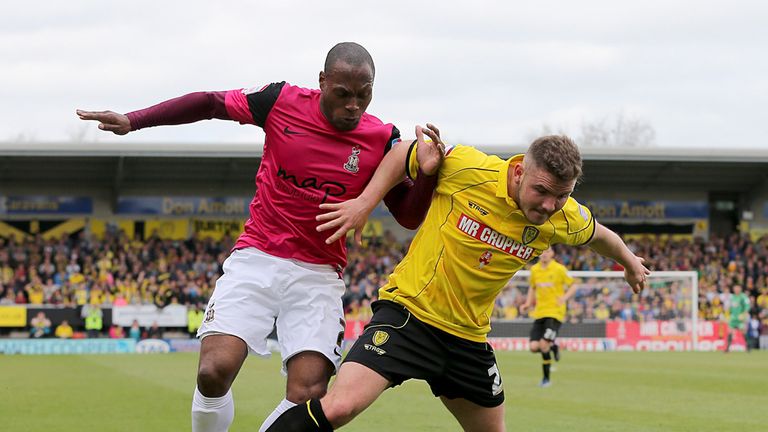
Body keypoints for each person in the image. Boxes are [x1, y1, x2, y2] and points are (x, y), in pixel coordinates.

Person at [77, 42, 440, 432]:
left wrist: (429, 174)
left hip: (318, 276)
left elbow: (407, 215)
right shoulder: (279, 100)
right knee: (213, 371)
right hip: (257, 257)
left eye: (364, 94)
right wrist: (135, 120)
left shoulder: (382, 138)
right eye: (344, 94)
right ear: (322, 82)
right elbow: (210, 102)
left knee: (309, 394)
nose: (354, 105)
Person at [267, 131, 650, 431]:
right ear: (519, 172)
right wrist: (365, 203)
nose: (549, 205)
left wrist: (630, 263)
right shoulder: (469, 167)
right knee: (341, 406)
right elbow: (403, 152)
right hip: (409, 317)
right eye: (542, 191)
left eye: (561, 196)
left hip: (467, 340)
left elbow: (601, 235)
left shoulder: (563, 216)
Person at [520, 248, 577, 387]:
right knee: (534, 347)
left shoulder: (559, 269)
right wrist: (528, 303)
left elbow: (574, 285)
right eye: (543, 251)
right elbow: (532, 288)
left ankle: (546, 379)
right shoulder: (534, 270)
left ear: (552, 254)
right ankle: (554, 347)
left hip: (555, 313)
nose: (544, 254)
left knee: (543, 344)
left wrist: (564, 298)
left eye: (548, 251)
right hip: (539, 312)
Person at [725, 284, 750, 353]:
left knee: (743, 332)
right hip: (733, 318)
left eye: (737, 288)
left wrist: (744, 314)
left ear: (740, 289)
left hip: (740, 318)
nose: (736, 290)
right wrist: (728, 314)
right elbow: (730, 307)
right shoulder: (732, 297)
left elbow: (747, 306)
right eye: (735, 288)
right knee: (729, 331)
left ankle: (748, 347)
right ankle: (727, 348)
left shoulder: (743, 297)